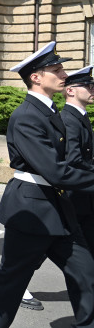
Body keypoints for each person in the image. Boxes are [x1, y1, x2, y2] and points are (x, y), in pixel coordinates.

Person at [0, 41, 94, 328]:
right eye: (56, 69)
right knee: (12, 282)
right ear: (36, 77)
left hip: (58, 208)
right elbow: (57, 171)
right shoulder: (26, 117)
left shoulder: (49, 112)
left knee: (86, 273)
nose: (64, 74)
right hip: (32, 210)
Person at [62, 65, 94, 255]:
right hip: (75, 197)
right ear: (70, 90)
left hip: (85, 195)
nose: (92, 90)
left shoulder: (80, 117)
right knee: (38, 249)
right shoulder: (68, 119)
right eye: (88, 86)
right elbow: (73, 160)